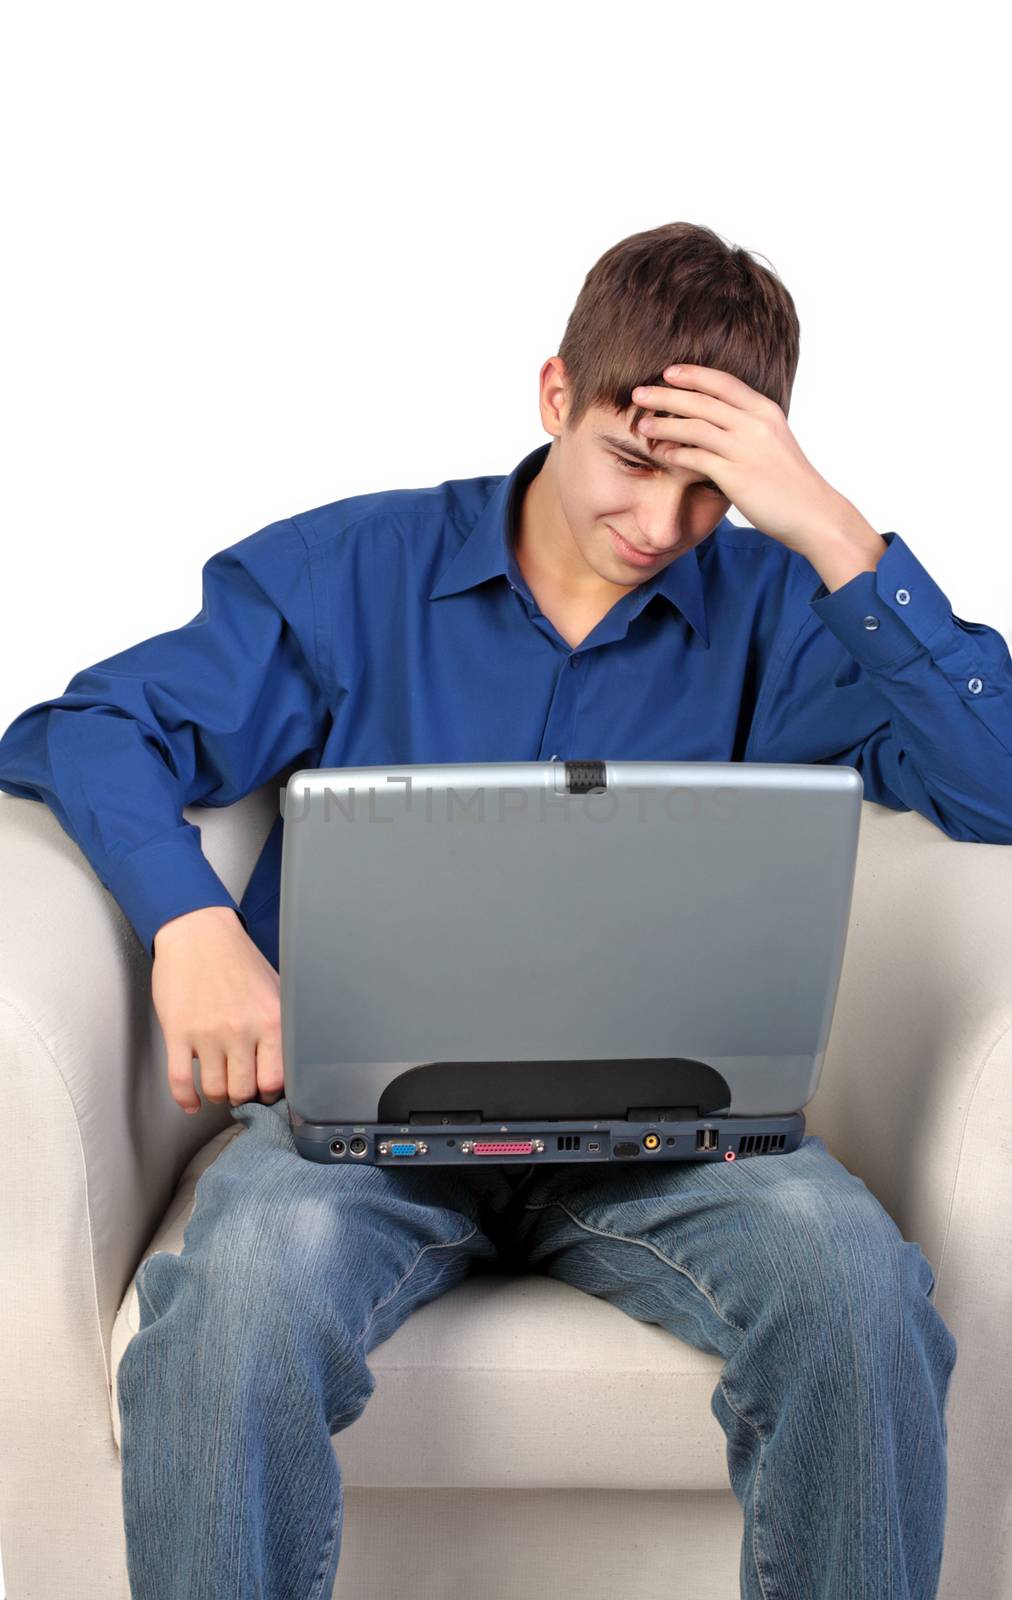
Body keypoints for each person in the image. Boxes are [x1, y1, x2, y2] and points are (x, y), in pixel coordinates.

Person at [1, 219, 1005, 1598]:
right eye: (639, 462)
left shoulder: (782, 609)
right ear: (555, 396)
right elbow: (90, 726)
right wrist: (189, 921)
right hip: (358, 1131)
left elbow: (996, 786)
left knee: (856, 1294)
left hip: (675, 1134)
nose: (663, 527)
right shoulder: (356, 574)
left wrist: (829, 527)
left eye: (711, 490)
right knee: (232, 1311)